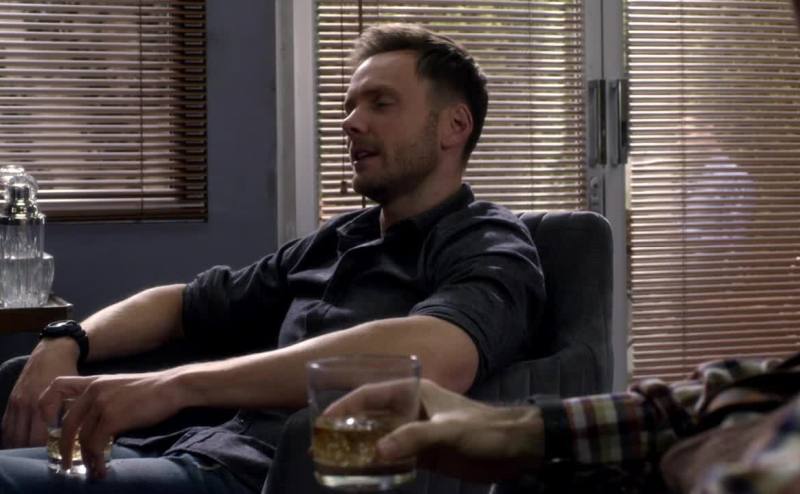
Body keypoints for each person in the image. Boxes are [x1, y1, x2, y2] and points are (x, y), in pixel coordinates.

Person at [0, 23, 545, 494]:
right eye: (350, 106)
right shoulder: (338, 239)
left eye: (381, 103)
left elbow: (437, 355)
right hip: (186, 447)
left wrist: (176, 385)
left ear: (455, 126)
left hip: (255, 476)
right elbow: (182, 304)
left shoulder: (486, 239)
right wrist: (66, 338)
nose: (351, 123)